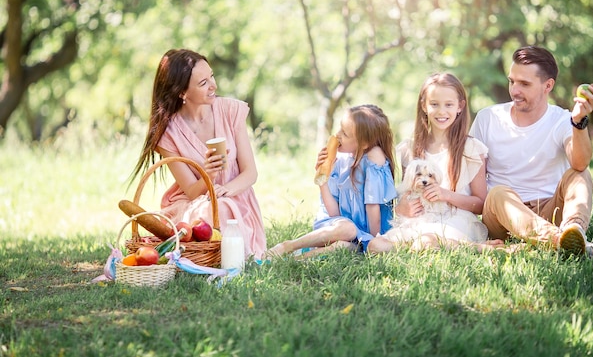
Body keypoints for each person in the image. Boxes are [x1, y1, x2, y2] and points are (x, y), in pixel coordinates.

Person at [130, 49, 266, 259]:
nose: (214, 86)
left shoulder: (230, 111)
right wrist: (208, 174)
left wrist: (224, 190)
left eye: (211, 76)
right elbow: (193, 193)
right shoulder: (168, 134)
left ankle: (212, 255)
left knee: (219, 209)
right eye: (203, 83)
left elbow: (250, 173)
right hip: (194, 201)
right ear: (182, 93)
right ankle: (201, 256)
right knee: (202, 214)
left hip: (234, 196)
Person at [469, 45, 593, 257]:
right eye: (512, 81)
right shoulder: (488, 118)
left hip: (549, 210)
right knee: (497, 194)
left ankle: (574, 231)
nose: (514, 90)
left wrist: (578, 122)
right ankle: (563, 242)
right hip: (501, 217)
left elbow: (580, 163)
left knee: (579, 175)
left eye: (524, 84)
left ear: (547, 85)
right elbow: (474, 185)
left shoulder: (561, 120)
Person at [368, 73, 498, 254]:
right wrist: (402, 208)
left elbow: (481, 204)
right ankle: (420, 247)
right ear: (424, 105)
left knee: (426, 242)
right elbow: (407, 191)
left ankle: (475, 248)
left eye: (449, 105)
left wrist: (446, 195)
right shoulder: (410, 148)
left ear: (460, 106)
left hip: (455, 219)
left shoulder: (471, 149)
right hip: (419, 220)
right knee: (375, 246)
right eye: (434, 104)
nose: (441, 111)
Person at [266, 104, 397, 258]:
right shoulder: (337, 160)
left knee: (345, 246)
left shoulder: (374, 158)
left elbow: (373, 206)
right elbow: (334, 214)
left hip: (366, 235)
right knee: (348, 229)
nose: (338, 135)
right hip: (336, 227)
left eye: (345, 134)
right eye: (340, 128)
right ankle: (289, 246)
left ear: (364, 144)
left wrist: (373, 241)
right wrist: (322, 179)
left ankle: (298, 258)